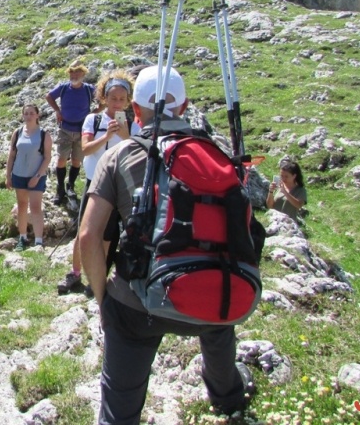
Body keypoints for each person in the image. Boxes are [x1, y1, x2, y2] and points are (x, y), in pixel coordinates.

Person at [80, 66, 253, 424]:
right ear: (185, 106)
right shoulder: (216, 154)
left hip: (139, 304)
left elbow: (88, 236)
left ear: (135, 111)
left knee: (120, 394)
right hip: (214, 297)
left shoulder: (121, 155)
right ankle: (228, 398)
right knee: (217, 314)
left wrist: (103, 299)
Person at [58, 70, 138, 294]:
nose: (117, 103)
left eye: (122, 99)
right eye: (113, 98)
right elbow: (85, 149)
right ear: (104, 97)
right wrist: (106, 136)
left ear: (128, 101)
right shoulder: (92, 120)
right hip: (94, 183)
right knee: (84, 231)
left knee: (107, 235)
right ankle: (75, 273)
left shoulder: (132, 124)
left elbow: (138, 151)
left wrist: (125, 135)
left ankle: (97, 278)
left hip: (119, 186)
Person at [45, 60, 95, 206]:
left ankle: (70, 186)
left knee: (76, 161)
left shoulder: (89, 89)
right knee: (61, 159)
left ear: (83, 74)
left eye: (77, 72)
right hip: (65, 129)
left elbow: (103, 99)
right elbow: (49, 96)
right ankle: (60, 188)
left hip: (82, 130)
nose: (74, 75)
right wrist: (57, 110)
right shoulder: (63, 88)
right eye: (71, 72)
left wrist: (96, 112)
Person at [5, 104, 52, 249]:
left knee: (36, 207)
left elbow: (47, 157)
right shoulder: (18, 132)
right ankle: (22, 237)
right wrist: (8, 175)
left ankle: (38, 241)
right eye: (26, 113)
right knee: (22, 205)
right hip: (19, 174)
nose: (29, 116)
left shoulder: (44, 134)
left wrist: (37, 176)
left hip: (37, 175)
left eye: (32, 113)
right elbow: (12, 155)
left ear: (37, 115)